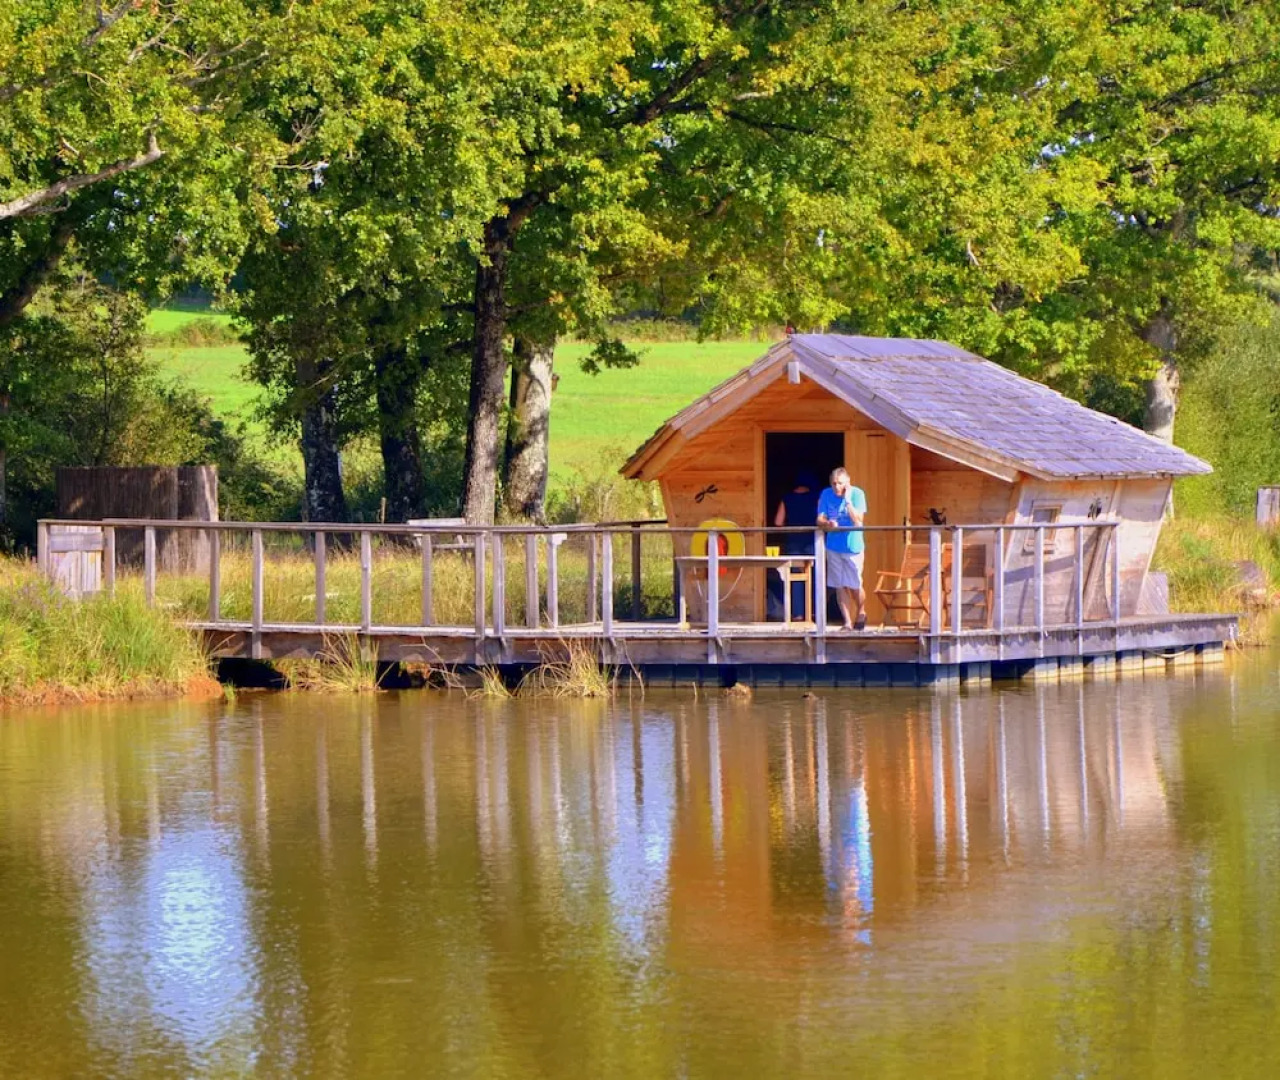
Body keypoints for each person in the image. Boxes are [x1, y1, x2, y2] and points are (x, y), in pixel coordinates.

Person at [817, 466, 868, 630]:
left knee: (854, 585)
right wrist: (828, 523)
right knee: (839, 585)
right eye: (834, 484)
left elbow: (858, 521)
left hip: (853, 546)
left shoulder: (857, 494)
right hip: (833, 545)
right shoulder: (826, 494)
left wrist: (847, 501)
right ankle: (846, 622)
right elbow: (819, 519)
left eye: (840, 484)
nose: (836, 487)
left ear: (847, 483)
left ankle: (861, 611)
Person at [771, 471, 819, 619]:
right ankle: (814, 612)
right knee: (813, 576)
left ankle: (798, 613)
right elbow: (820, 518)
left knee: (796, 577)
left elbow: (778, 522)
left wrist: (789, 523)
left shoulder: (787, 498)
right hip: (812, 541)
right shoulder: (815, 498)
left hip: (793, 542)